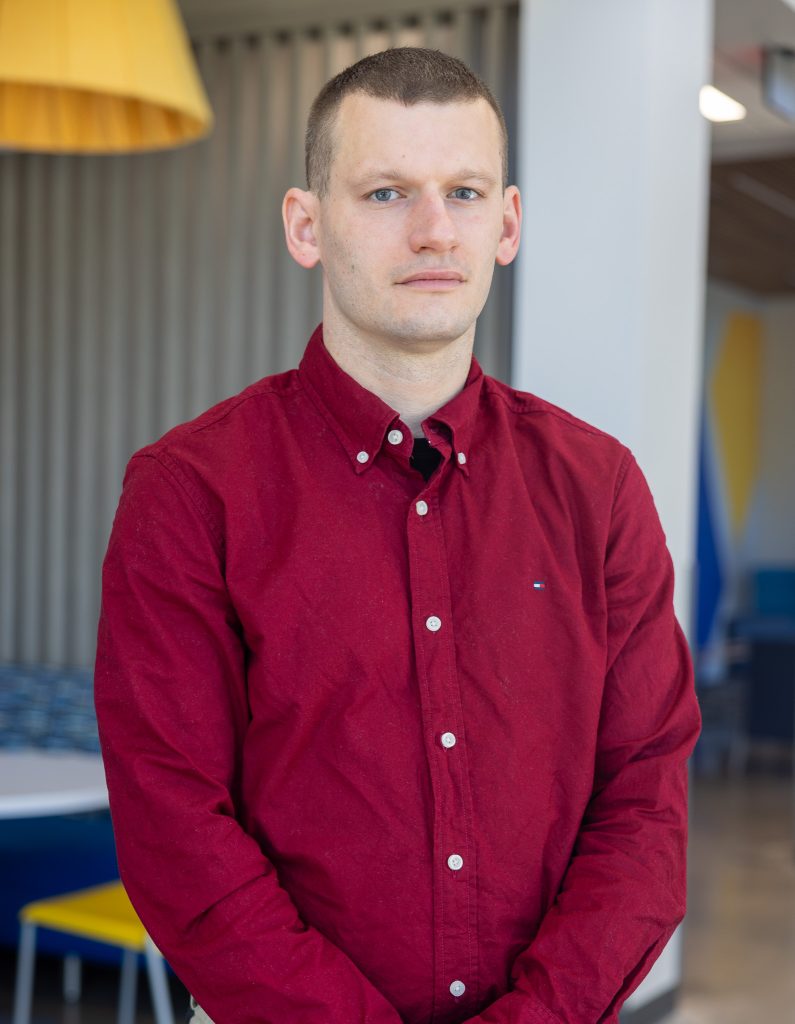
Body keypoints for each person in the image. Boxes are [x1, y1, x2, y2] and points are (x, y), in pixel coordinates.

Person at [94, 46, 701, 1024]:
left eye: (464, 191)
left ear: (507, 224)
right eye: (384, 193)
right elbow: (175, 822)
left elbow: (645, 802)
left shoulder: (599, 488)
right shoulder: (189, 492)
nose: (432, 230)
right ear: (306, 224)